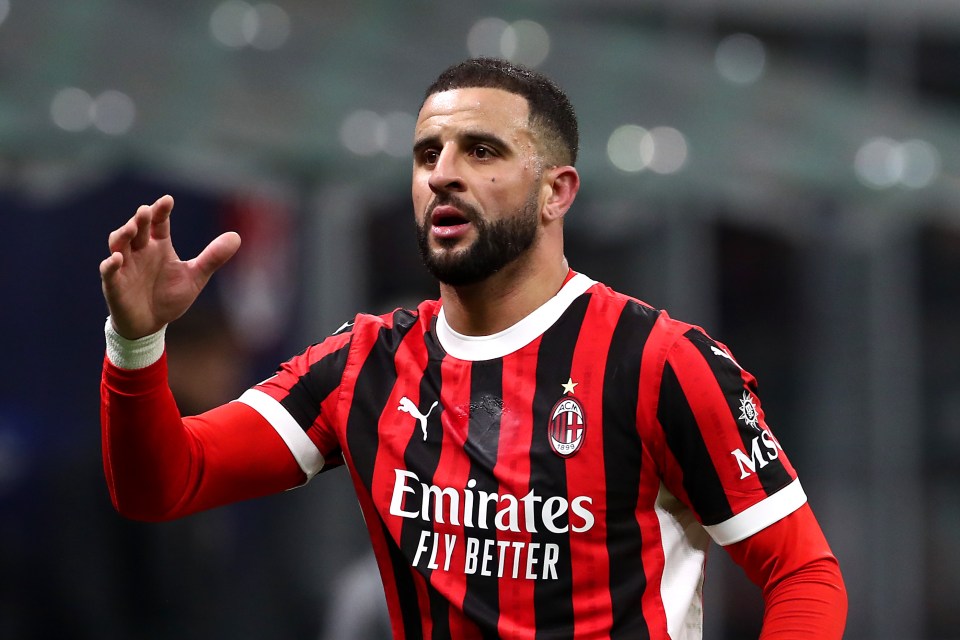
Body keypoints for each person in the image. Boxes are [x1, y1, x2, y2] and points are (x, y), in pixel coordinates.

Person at [99, 58, 847, 639]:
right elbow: (163, 484)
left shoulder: (660, 362)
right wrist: (136, 342)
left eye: (481, 150)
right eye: (428, 154)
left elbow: (804, 573)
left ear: (557, 191)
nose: (444, 173)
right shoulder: (363, 364)